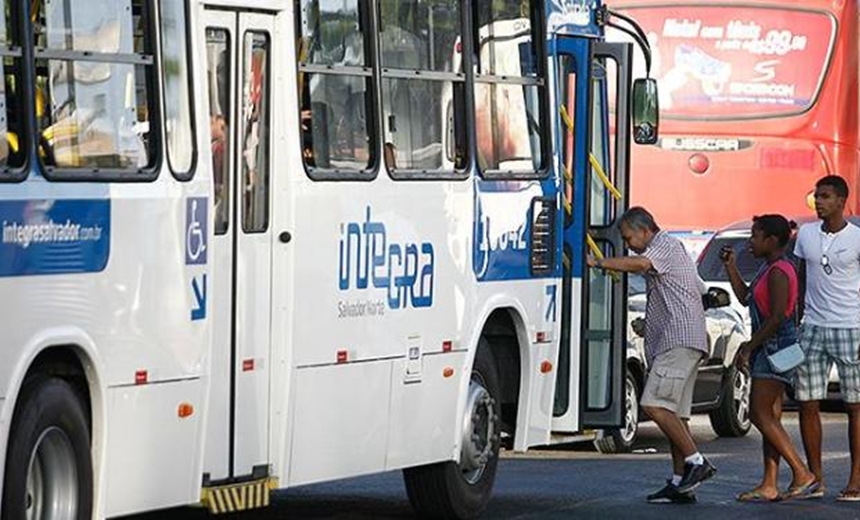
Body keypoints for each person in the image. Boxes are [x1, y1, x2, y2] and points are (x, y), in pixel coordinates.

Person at [587, 206, 715, 504]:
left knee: (654, 405)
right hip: (682, 339)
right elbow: (690, 289)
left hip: (677, 341)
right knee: (676, 417)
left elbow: (642, 265)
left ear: (645, 230)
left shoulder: (664, 246)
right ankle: (680, 482)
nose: (628, 244)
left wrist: (598, 261)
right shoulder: (673, 248)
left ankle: (697, 462)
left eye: (629, 237)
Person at [722, 215, 818, 501]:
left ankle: (802, 472)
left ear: (771, 240)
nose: (750, 242)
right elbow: (745, 297)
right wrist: (731, 267)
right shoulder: (769, 267)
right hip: (770, 345)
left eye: (755, 236)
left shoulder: (779, 271)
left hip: (775, 346)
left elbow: (777, 317)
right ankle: (769, 484)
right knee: (771, 418)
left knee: (759, 413)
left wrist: (749, 347)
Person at [794, 175, 860, 501]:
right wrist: (797, 320)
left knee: (855, 406)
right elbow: (801, 277)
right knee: (807, 403)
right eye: (817, 196)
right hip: (812, 328)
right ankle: (815, 478)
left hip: (851, 327)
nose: (819, 201)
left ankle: (856, 479)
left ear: (841, 201)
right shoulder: (805, 234)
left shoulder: (858, 238)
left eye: (825, 196)